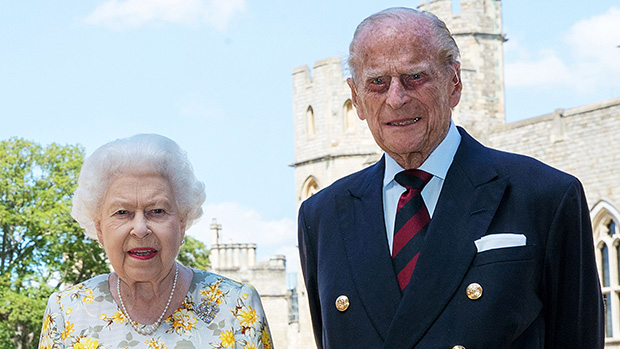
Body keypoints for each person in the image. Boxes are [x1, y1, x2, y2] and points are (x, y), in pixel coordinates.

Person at [297, 7, 603, 348]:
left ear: (454, 84)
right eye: (377, 83)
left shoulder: (545, 196)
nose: (396, 99)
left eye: (415, 77)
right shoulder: (321, 216)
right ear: (356, 98)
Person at [39, 134, 273, 349]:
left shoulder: (236, 306)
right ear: (99, 229)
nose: (140, 229)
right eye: (122, 212)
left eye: (157, 211)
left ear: (182, 223)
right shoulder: (66, 311)